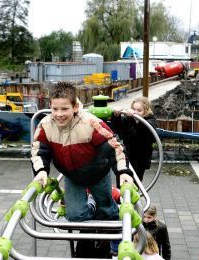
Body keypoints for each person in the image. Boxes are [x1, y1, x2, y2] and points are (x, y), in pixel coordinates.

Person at [31, 81, 134, 222]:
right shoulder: (45, 126)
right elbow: (39, 150)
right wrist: (42, 171)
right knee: (74, 215)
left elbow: (114, 148)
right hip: (72, 176)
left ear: (75, 107)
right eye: (55, 109)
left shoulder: (91, 123)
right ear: (50, 107)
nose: (59, 114)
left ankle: (106, 229)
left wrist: (123, 172)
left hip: (98, 172)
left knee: (107, 211)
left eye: (64, 109)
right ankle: (91, 213)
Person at [111, 96, 157, 181]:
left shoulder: (151, 120)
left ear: (146, 111)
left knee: (135, 182)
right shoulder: (129, 118)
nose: (135, 112)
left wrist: (138, 120)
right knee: (122, 180)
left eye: (139, 110)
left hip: (140, 159)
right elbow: (117, 128)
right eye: (134, 109)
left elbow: (144, 131)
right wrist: (116, 116)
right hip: (127, 156)